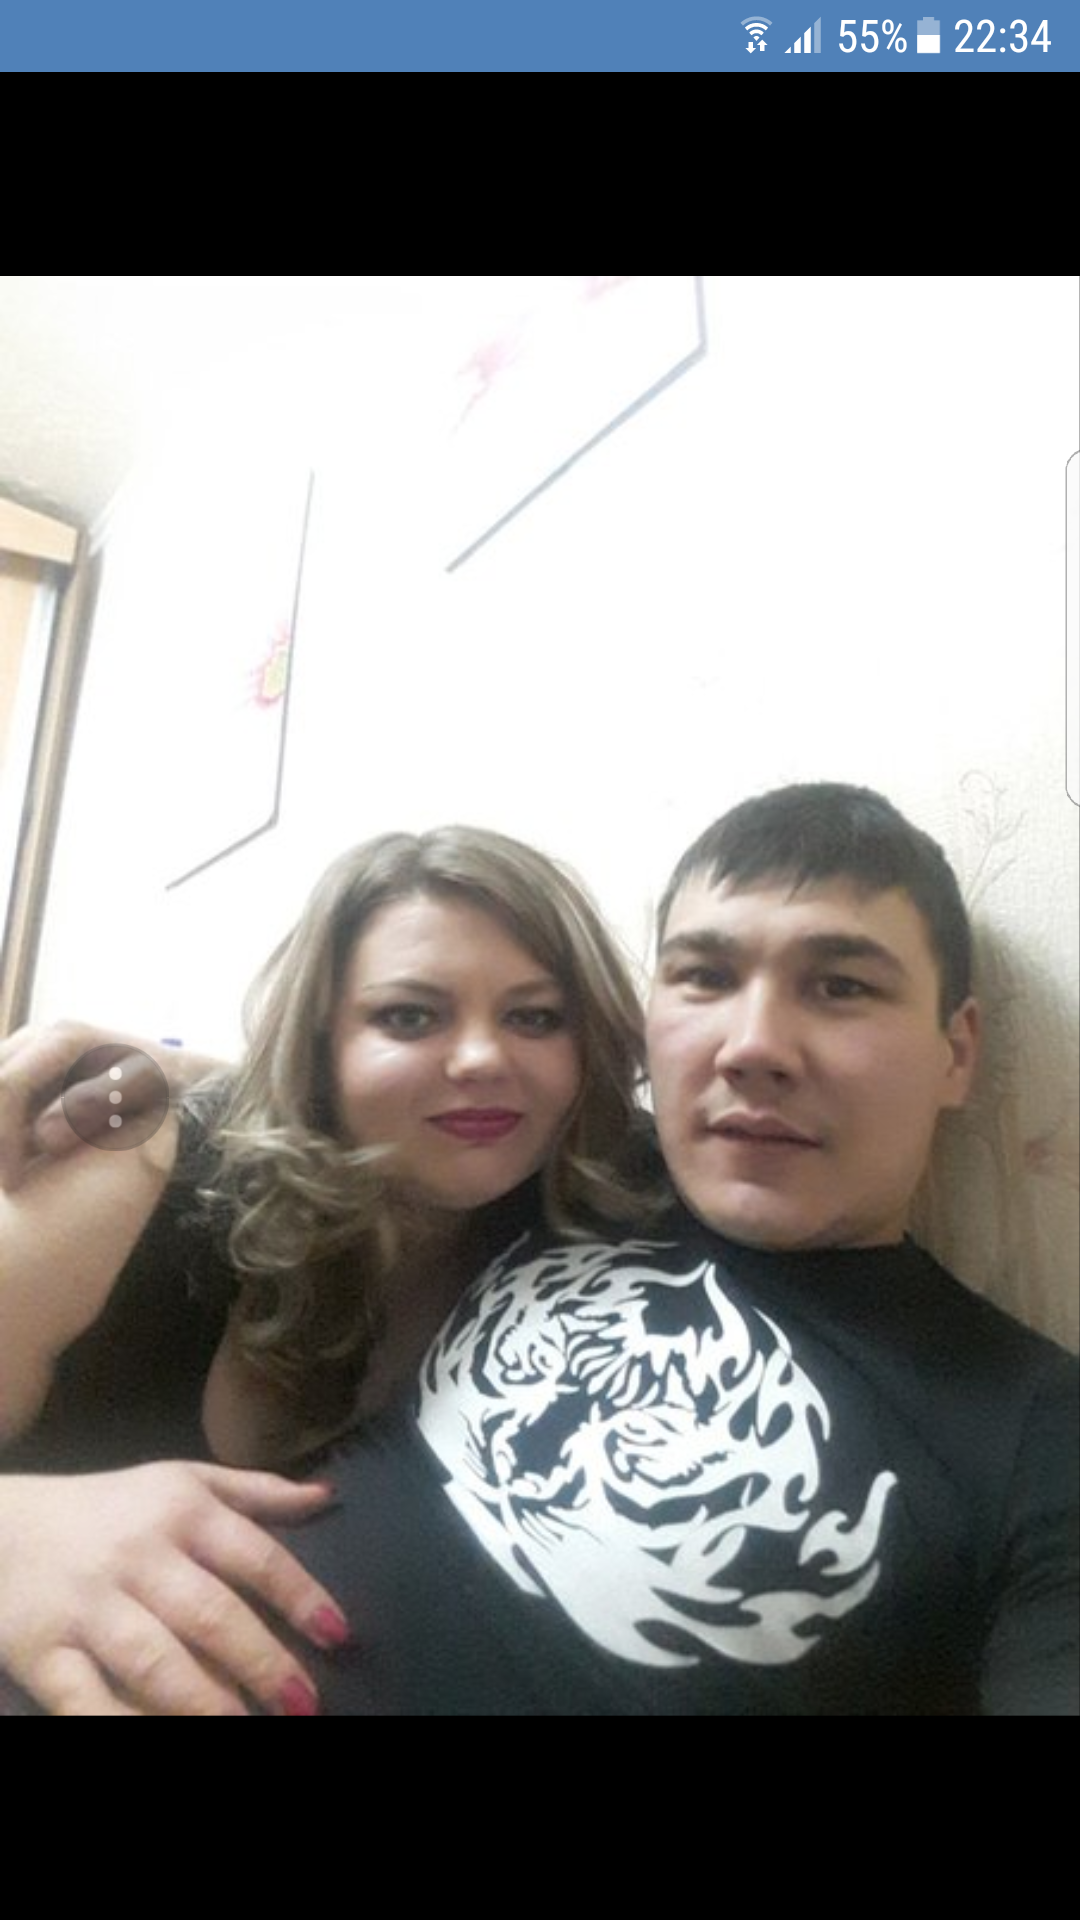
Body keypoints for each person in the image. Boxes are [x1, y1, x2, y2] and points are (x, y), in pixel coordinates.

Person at [258, 782, 1078, 1714]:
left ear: (957, 1052)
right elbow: (272, 1119)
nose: (753, 1047)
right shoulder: (572, 1166)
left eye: (841, 987)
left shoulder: (1039, 1431)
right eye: (706, 977)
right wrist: (115, 1505)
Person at [0, 825, 661, 1715]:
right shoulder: (138, 1168)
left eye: (535, 1017)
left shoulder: (566, 1239)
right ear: (323, 1042)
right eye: (409, 1016)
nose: (482, 1058)